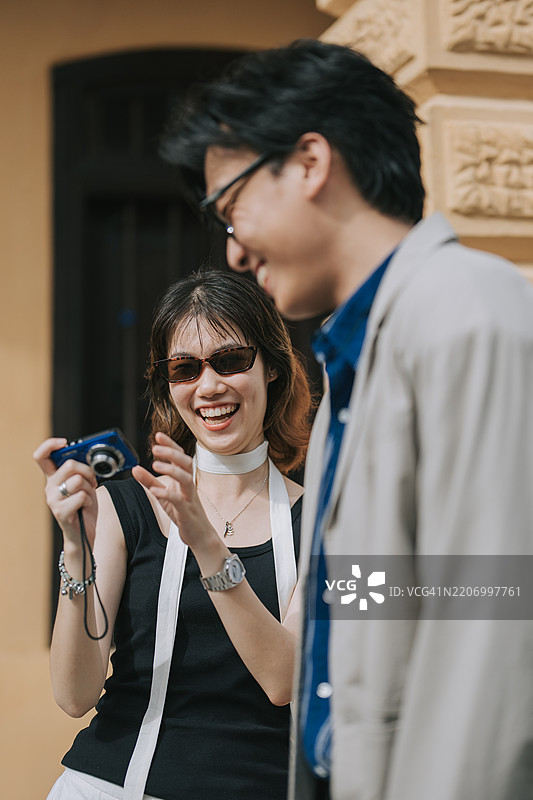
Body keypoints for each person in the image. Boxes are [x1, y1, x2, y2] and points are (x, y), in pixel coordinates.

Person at [160, 39, 533, 800]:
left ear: (308, 162)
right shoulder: (352, 361)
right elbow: (394, 594)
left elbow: (494, 616)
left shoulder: (470, 317)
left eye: (230, 210)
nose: (231, 251)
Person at [34, 270, 315, 800]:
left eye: (231, 361)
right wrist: (75, 549)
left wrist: (207, 544)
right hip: (106, 785)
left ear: (272, 367)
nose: (209, 386)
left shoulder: (324, 521)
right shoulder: (126, 508)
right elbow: (74, 695)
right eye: (185, 368)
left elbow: (284, 681)